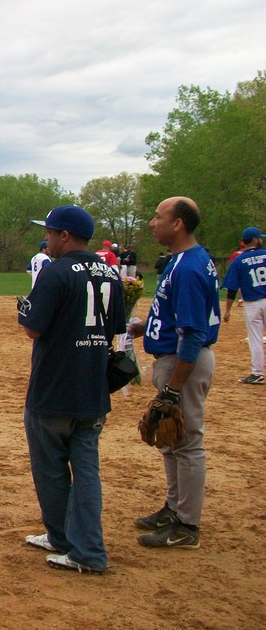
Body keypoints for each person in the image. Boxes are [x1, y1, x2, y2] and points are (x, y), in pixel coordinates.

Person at [17, 205, 124, 574]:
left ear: (65, 236)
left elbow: (33, 328)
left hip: (54, 388)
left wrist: (23, 313)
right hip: (93, 389)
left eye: (49, 232)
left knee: (50, 468)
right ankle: (86, 548)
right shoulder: (111, 274)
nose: (46, 238)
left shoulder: (56, 271)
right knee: (86, 470)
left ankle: (67, 541)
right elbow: (115, 330)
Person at [128, 196, 220, 550]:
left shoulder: (189, 267)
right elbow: (174, 314)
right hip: (173, 357)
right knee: (170, 439)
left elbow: (193, 332)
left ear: (178, 223)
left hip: (184, 362)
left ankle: (186, 525)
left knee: (187, 440)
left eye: (158, 216)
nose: (153, 223)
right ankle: (174, 508)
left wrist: (173, 387)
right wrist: (143, 327)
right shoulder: (184, 261)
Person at [222, 226, 266, 385]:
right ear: (255, 240)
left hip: (252, 304)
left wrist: (227, 311)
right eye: (259, 237)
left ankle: (257, 373)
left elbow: (232, 288)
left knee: (255, 339)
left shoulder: (239, 260)